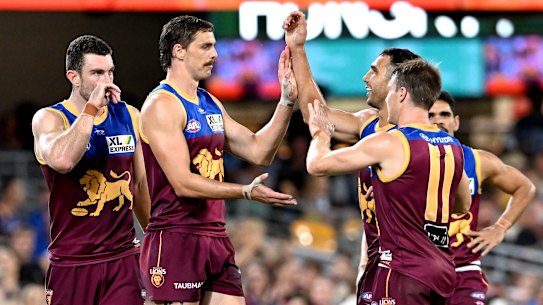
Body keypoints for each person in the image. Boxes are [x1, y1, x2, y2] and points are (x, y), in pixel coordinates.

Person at [139, 15, 298, 305]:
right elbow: (183, 183)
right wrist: (245, 192)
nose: (215, 54)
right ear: (179, 51)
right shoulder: (162, 104)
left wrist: (286, 102)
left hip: (215, 235)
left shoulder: (209, 101)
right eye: (205, 46)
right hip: (177, 236)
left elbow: (259, 151)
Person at [305, 59, 471, 304]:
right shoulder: (453, 146)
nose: (387, 99)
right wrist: (395, 194)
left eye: (391, 92)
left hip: (403, 270)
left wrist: (320, 134)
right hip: (443, 271)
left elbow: (317, 165)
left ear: (402, 93)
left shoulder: (390, 142)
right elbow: (461, 205)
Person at [282, 11, 420, 304]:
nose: (365, 77)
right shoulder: (367, 123)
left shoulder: (418, 135)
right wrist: (298, 48)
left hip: (408, 264)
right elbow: (315, 113)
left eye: (374, 71)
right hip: (376, 257)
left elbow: (319, 152)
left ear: (398, 83)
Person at [31, 35, 151, 305]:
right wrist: (91, 109)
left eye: (110, 72)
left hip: (122, 259)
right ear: (73, 77)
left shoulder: (129, 115)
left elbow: (141, 185)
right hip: (71, 261)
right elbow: (63, 161)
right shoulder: (50, 118)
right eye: (97, 73)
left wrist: (156, 243)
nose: (106, 81)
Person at [429, 90, 536, 305]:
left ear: (456, 122)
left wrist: (501, 227)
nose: (439, 120)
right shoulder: (405, 160)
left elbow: (525, 187)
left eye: (445, 114)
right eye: (430, 115)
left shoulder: (478, 161)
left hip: (464, 269)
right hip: (420, 269)